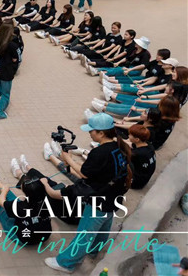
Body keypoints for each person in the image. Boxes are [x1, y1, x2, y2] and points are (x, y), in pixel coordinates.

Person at [45, 113, 132, 273]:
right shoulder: (118, 147)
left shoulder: (100, 153)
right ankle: (94, 250)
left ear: (101, 133)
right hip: (114, 196)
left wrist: (68, 159)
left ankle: (66, 263)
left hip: (99, 200)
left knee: (85, 234)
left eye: (92, 130)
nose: (90, 133)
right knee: (104, 225)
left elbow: (84, 173)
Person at [0, 164, 52, 246]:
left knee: (2, 209)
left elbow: (1, 201)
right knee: (15, 201)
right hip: (44, 236)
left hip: (23, 239)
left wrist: (5, 190)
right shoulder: (47, 201)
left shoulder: (20, 207)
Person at [124, 124, 156, 189]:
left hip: (135, 182)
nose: (128, 135)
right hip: (144, 178)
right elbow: (130, 144)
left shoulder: (137, 153)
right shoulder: (149, 145)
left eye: (130, 135)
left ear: (137, 139)